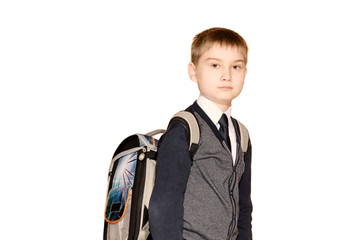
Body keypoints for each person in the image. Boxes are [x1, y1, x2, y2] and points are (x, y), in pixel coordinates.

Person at [149, 27, 252, 240]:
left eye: (236, 66)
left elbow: (244, 209)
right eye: (215, 65)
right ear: (193, 71)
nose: (227, 75)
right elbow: (163, 207)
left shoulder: (242, 135)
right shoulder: (184, 130)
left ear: (245, 72)